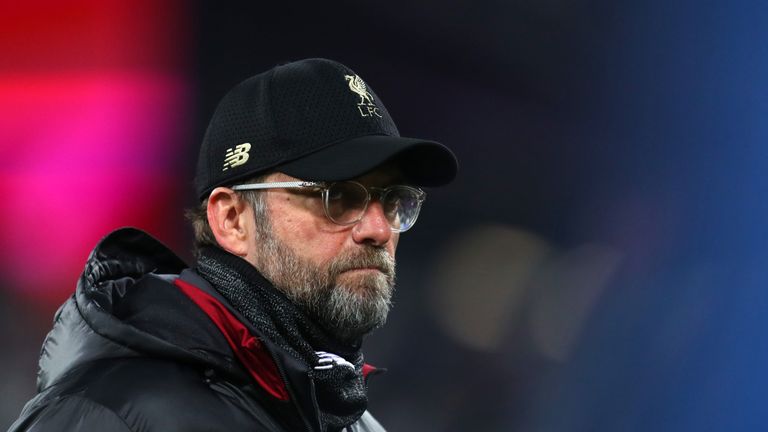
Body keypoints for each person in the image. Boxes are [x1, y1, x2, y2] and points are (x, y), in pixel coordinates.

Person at [8, 58, 457, 432]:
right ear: (232, 219)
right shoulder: (108, 416)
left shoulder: (353, 421)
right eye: (336, 197)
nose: (379, 229)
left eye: (394, 200)